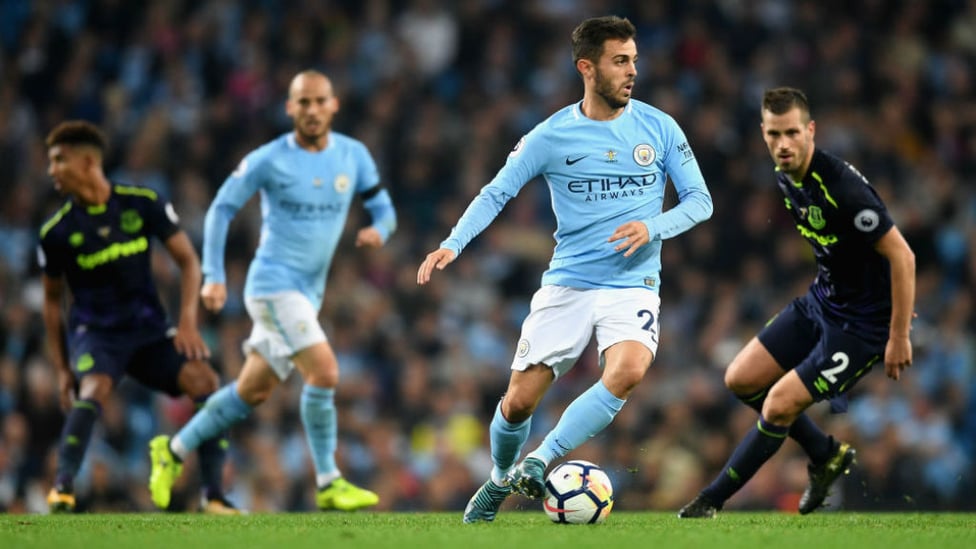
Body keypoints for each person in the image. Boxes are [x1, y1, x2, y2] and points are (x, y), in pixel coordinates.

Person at [417, 16, 713, 524]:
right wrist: (453, 243)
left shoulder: (659, 127)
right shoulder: (550, 136)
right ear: (587, 67)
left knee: (628, 371)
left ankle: (541, 457)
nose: (632, 71)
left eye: (634, 60)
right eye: (620, 61)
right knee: (516, 404)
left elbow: (700, 201)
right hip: (569, 282)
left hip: (633, 283)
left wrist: (652, 227)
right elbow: (497, 192)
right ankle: (498, 479)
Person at [147, 69, 396, 512]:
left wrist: (379, 229)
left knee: (251, 392)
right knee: (325, 372)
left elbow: (384, 208)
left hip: (309, 293)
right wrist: (214, 275)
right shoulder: (269, 159)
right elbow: (222, 207)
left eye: (320, 101)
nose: (313, 110)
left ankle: (172, 450)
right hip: (273, 285)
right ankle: (328, 480)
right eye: (303, 102)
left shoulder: (354, 156)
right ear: (290, 108)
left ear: (333, 105)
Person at [678, 87, 916, 518]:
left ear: (810, 131)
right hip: (822, 301)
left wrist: (898, 335)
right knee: (740, 378)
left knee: (779, 404)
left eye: (791, 133)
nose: (782, 144)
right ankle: (826, 454)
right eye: (773, 134)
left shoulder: (842, 186)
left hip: (863, 327)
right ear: (763, 134)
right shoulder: (784, 175)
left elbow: (902, 255)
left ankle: (709, 501)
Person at [38, 121, 237, 514]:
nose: (52, 170)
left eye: (60, 160)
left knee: (206, 381)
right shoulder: (57, 232)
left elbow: (188, 261)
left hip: (148, 331)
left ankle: (213, 496)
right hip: (97, 334)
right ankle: (62, 488)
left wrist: (187, 323)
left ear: (88, 161)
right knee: (93, 388)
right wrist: (63, 369)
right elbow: (51, 303)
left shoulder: (141, 203)